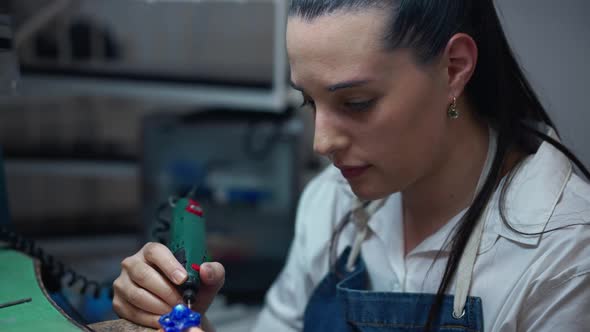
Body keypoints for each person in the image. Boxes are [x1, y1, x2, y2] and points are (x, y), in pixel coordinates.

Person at [112, 1, 590, 331]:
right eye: (309, 101)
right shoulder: (332, 201)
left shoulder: (565, 253)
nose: (322, 143)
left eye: (357, 103)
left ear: (455, 68)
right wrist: (178, 316)